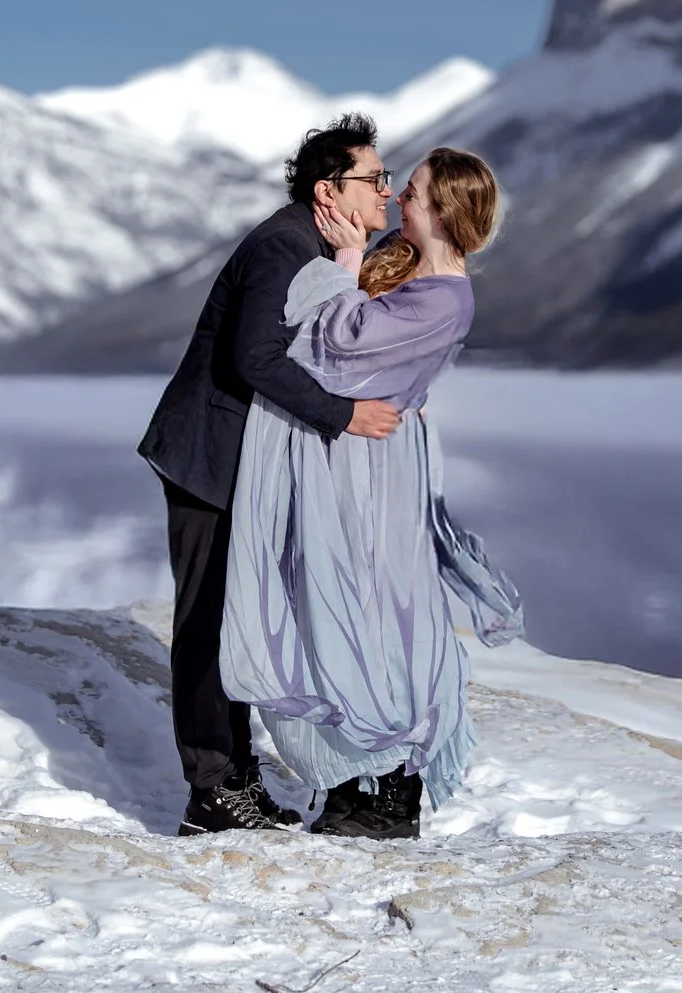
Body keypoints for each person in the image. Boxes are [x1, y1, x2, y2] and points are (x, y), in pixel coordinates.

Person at [221, 146, 523, 840]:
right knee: (345, 610)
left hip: (373, 475)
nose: (396, 199)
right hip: (350, 463)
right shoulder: (408, 263)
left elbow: (338, 344)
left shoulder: (446, 298)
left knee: (378, 614)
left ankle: (391, 792)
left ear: (446, 209)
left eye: (412, 192)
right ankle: (360, 782)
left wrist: (348, 262)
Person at [137, 114, 403, 835]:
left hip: (237, 463)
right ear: (330, 188)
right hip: (208, 459)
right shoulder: (283, 246)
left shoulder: (312, 243)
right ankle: (212, 792)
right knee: (205, 624)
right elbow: (253, 359)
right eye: (375, 178)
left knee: (237, 620)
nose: (389, 189)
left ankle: (236, 776)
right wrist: (343, 415)